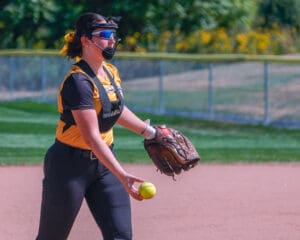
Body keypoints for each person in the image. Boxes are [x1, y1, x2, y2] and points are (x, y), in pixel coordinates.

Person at [36, 12, 157, 240]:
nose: (112, 40)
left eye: (113, 34)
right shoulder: (78, 82)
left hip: (104, 166)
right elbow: (91, 137)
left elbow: (115, 110)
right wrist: (123, 175)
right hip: (68, 167)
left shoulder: (111, 72)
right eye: (104, 34)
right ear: (85, 40)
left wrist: (151, 133)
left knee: (120, 236)